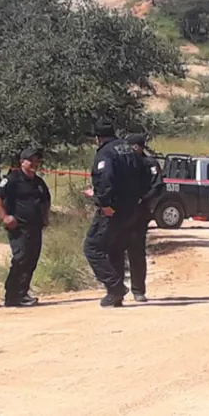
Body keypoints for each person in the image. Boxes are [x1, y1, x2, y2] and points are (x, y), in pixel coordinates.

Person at [83, 121, 152, 307]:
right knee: (116, 249)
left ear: (98, 138)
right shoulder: (130, 150)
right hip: (132, 210)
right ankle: (115, 296)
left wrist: (103, 202)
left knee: (92, 248)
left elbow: (105, 178)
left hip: (113, 210)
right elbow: (147, 175)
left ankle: (115, 287)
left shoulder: (106, 153)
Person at [0, 148, 51, 307]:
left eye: (37, 161)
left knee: (32, 260)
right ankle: (12, 295)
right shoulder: (12, 179)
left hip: (35, 227)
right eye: (31, 160)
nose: (34, 164)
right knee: (21, 258)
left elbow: (46, 200)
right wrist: (5, 217)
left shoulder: (38, 182)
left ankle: (22, 293)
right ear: (22, 162)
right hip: (19, 228)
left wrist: (46, 217)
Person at [123, 133, 165, 302]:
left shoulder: (149, 164)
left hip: (140, 213)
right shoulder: (124, 163)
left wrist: (143, 200)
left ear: (136, 146)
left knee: (136, 252)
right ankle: (116, 289)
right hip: (122, 212)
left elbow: (158, 186)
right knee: (116, 250)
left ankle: (138, 290)